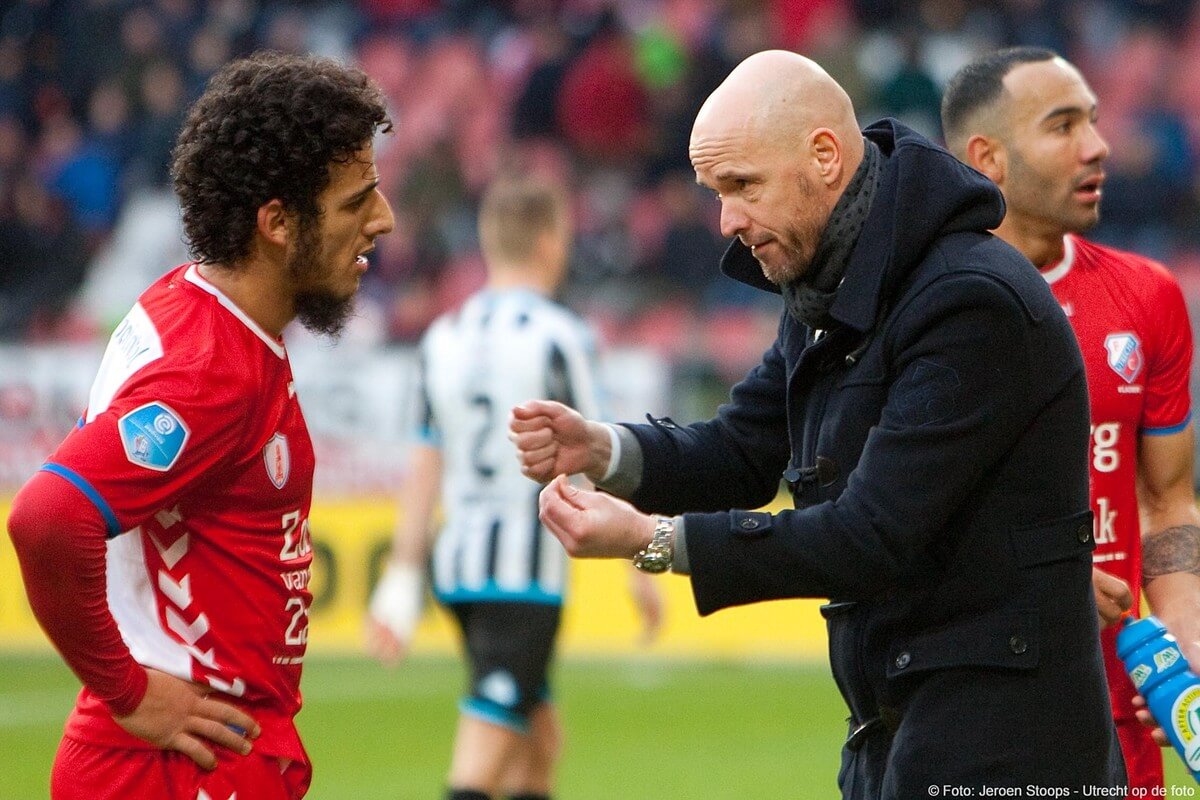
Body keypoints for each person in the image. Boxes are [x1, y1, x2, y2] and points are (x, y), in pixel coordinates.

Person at [509, 49, 1126, 796]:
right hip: (899, 723)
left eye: (742, 186)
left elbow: (869, 534)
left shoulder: (968, 301)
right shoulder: (836, 286)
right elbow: (744, 450)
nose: (727, 220)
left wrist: (653, 542)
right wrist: (604, 447)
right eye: (715, 192)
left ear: (825, 157)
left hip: (1004, 740)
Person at [5, 52, 395, 799]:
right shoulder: (209, 372)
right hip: (179, 766)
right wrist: (125, 691)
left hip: (204, 755)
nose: (383, 220)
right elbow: (48, 518)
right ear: (278, 223)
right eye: (356, 202)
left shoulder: (209, 313)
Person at [941, 47, 1200, 792]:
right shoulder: (919, 310)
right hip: (966, 713)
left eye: (1091, 118)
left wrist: (1184, 635)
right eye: (1063, 126)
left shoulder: (1148, 297)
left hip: (1121, 713)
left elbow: (1165, 501)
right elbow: (879, 523)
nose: (1098, 144)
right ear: (987, 157)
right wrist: (1039, 578)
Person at [367, 174, 662, 800]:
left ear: (487, 241)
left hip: (457, 567)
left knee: (538, 746)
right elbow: (606, 452)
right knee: (483, 756)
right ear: (552, 240)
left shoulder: (441, 336)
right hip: (520, 575)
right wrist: (644, 559)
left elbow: (425, 463)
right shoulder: (561, 335)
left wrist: (400, 577)